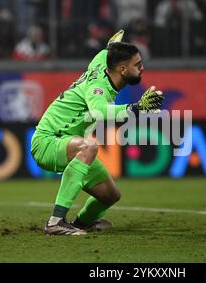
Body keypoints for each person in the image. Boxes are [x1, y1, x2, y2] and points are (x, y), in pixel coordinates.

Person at [31, 30, 164, 236]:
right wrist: (136, 108)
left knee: (110, 195)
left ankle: (81, 223)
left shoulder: (103, 60)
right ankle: (55, 222)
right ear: (122, 69)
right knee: (89, 146)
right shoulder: (98, 88)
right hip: (48, 141)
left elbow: (106, 51)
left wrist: (113, 44)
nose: (142, 68)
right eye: (137, 65)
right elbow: (99, 112)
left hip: (68, 143)